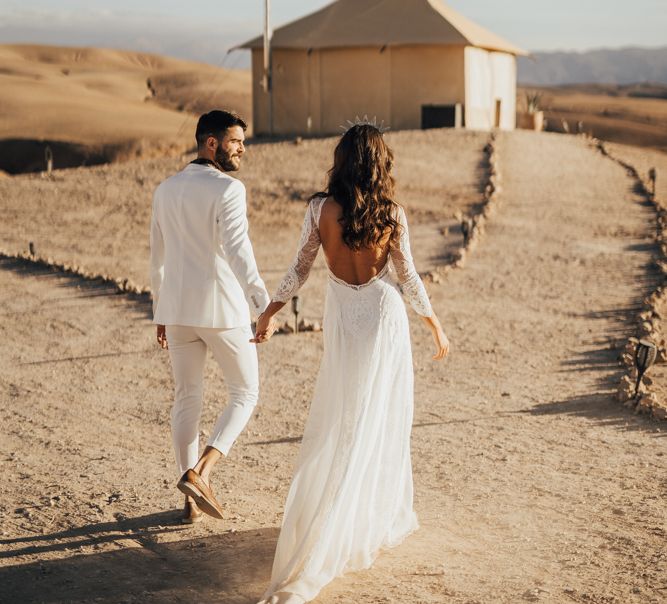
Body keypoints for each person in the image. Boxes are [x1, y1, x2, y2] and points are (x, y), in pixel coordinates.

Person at [252, 123, 449, 603]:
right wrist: (434, 323)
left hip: (342, 318)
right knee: (376, 419)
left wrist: (270, 311)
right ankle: (357, 515)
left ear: (342, 161)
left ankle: (336, 511)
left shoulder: (320, 210)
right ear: (381, 164)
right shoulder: (392, 215)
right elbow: (408, 278)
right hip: (383, 320)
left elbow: (300, 267)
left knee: (344, 416)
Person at [149, 110, 275, 524]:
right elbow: (239, 252)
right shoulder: (228, 189)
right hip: (222, 310)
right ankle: (201, 473)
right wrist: (263, 304)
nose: (242, 149)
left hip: (178, 312)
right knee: (245, 392)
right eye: (236, 141)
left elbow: (158, 256)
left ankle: (188, 501)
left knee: (187, 397)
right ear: (211, 144)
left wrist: (160, 311)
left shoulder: (165, 189)